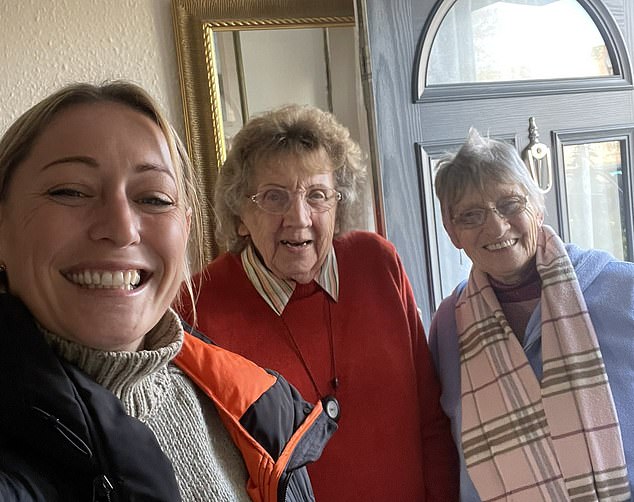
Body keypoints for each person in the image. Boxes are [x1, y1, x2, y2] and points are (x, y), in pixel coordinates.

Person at [0, 81, 337, 502]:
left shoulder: (254, 411)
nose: (122, 229)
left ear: (186, 230)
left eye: (155, 199)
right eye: (70, 191)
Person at [178, 104, 459, 501]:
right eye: (274, 197)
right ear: (240, 214)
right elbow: (205, 469)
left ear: (338, 205)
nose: (299, 217)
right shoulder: (196, 307)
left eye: (317, 195)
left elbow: (430, 418)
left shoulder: (377, 264)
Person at [429, 128, 633, 501]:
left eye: (509, 204)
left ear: (537, 206)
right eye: (471, 215)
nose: (496, 227)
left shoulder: (622, 290)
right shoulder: (448, 325)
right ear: (452, 231)